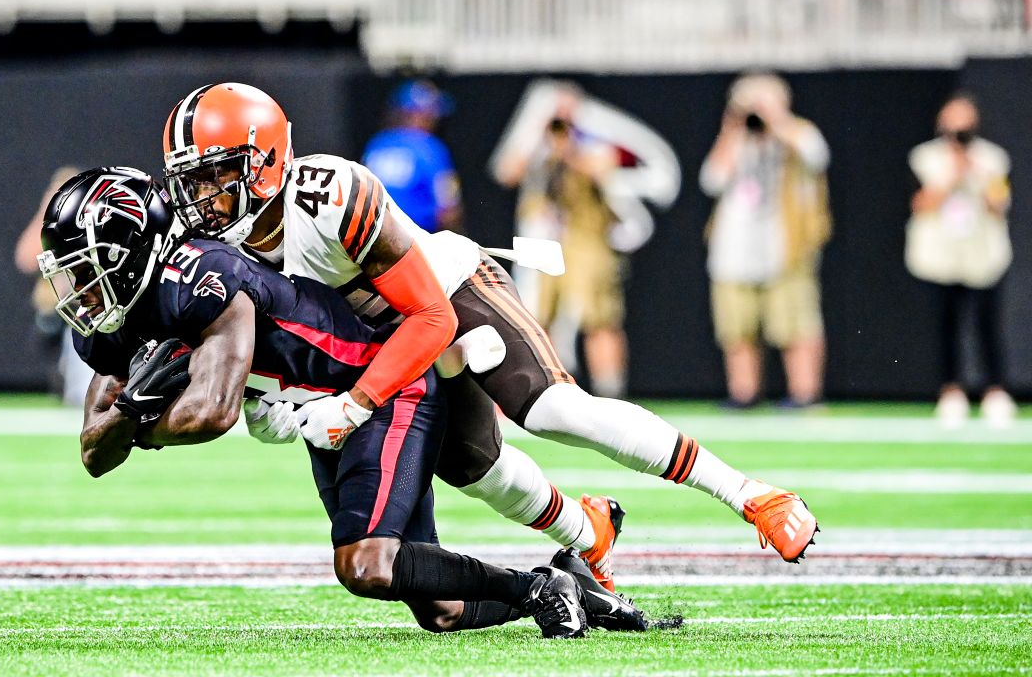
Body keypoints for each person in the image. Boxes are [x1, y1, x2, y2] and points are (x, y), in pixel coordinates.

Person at [160, 82, 820, 577]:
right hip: (379, 342)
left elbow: (431, 317)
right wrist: (273, 404)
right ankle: (588, 531)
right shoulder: (217, 257)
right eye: (192, 179)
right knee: (476, 467)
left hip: (445, 292)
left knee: (554, 410)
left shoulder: (333, 197)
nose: (203, 196)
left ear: (268, 161)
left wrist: (355, 405)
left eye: (218, 174)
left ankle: (751, 494)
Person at [36, 166, 599, 638]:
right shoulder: (114, 319)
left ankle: (543, 586)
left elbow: (213, 411)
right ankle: (559, 589)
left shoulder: (203, 275)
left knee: (365, 563)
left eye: (88, 268)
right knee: (439, 608)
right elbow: (93, 453)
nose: (81, 289)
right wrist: (133, 411)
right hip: (320, 416)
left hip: (381, 389)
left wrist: (137, 417)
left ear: (137, 252)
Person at [699, 73, 831, 410]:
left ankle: (805, 393)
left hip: (784, 248)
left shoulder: (798, 133)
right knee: (737, 326)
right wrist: (732, 130)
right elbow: (711, 180)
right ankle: (744, 392)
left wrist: (777, 121)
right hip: (735, 249)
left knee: (796, 324)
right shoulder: (735, 139)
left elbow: (818, 156)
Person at [906, 94, 1016, 428]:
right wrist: (951, 175)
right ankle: (951, 391)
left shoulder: (992, 159)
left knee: (988, 324)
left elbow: (1000, 204)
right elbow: (921, 204)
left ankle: (995, 392)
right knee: (946, 325)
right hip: (941, 255)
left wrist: (977, 175)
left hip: (981, 254)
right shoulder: (925, 157)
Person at [514, 116, 629, 398]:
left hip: (588, 244)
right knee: (542, 319)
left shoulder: (592, 149)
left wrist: (571, 150)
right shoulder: (543, 160)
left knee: (599, 319)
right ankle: (552, 390)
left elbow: (603, 171)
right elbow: (509, 172)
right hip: (551, 244)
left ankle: (610, 392)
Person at [14, 165, 94, 406]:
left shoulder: (91, 220)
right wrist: (45, 216)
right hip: (61, 305)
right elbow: (26, 258)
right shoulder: (51, 223)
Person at [361, 80, 463, 233]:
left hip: (374, 237)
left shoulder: (376, 144)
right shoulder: (430, 147)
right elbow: (448, 209)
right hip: (416, 240)